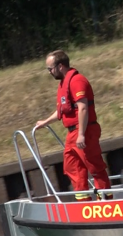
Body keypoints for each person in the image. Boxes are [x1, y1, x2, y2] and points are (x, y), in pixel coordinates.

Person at [35, 50, 112, 200]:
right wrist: (45, 122)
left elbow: (83, 108)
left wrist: (82, 134)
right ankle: (84, 203)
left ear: (61, 66)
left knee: (94, 166)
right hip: (72, 134)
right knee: (72, 167)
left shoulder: (77, 81)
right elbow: (62, 111)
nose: (49, 72)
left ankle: (106, 202)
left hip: (84, 130)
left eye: (50, 69)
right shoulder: (63, 84)